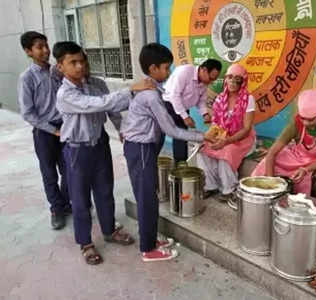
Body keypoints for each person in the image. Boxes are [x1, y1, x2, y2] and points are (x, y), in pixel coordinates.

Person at [54, 41, 152, 265]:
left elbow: (111, 109)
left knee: (105, 191)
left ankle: (109, 230)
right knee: (79, 199)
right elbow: (96, 104)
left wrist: (121, 128)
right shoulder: (65, 94)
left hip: (100, 145)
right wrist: (130, 90)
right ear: (61, 67)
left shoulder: (96, 84)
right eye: (73, 63)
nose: (80, 66)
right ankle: (85, 242)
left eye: (82, 61)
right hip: (77, 150)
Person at [120, 43, 214, 262]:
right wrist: (202, 136)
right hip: (140, 148)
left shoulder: (154, 89)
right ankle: (148, 248)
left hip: (142, 146)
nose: (169, 72)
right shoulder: (150, 96)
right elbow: (171, 129)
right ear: (153, 69)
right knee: (146, 199)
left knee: (149, 194)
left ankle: (151, 239)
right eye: (165, 68)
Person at [251, 89, 316, 204]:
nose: (305, 123)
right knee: (268, 162)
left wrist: (305, 169)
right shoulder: (297, 122)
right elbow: (272, 152)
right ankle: (261, 198)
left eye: (310, 120)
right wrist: (272, 183)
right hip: (299, 156)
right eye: (303, 118)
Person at [18, 31, 70, 230]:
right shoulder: (27, 78)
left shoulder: (57, 71)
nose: (46, 50)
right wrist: (51, 130)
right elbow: (28, 113)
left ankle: (66, 203)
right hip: (44, 132)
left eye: (46, 45)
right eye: (39, 47)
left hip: (65, 127)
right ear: (28, 51)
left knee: (69, 169)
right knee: (49, 173)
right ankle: (56, 209)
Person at [196, 64, 256, 210]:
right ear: (225, 80)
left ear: (243, 81)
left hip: (243, 139)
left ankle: (229, 189)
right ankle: (211, 186)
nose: (233, 82)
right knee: (202, 149)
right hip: (223, 136)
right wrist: (208, 137)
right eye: (229, 77)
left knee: (227, 152)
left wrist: (227, 141)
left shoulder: (248, 99)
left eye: (237, 79)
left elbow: (247, 129)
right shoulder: (220, 99)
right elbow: (215, 124)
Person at [163, 59, 222, 162]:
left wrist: (205, 114)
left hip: (183, 108)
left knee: (181, 137)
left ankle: (180, 165)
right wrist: (185, 117)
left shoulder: (204, 82)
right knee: (160, 133)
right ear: (203, 70)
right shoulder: (185, 72)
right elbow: (174, 95)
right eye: (210, 78)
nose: (211, 82)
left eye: (214, 79)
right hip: (167, 105)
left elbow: (201, 101)